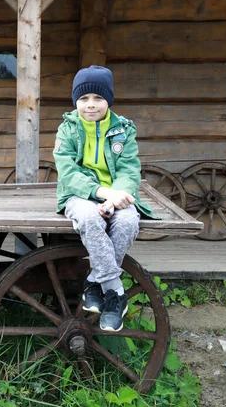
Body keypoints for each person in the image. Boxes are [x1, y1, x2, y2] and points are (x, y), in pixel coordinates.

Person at [53, 65, 154, 332]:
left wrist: (116, 195)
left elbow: (129, 169)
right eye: (84, 98)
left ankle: (94, 282)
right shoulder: (67, 129)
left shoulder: (124, 130)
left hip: (119, 194)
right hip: (81, 195)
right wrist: (102, 193)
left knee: (127, 223)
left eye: (98, 98)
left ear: (108, 99)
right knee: (89, 218)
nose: (90, 105)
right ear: (76, 100)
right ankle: (115, 291)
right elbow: (68, 172)